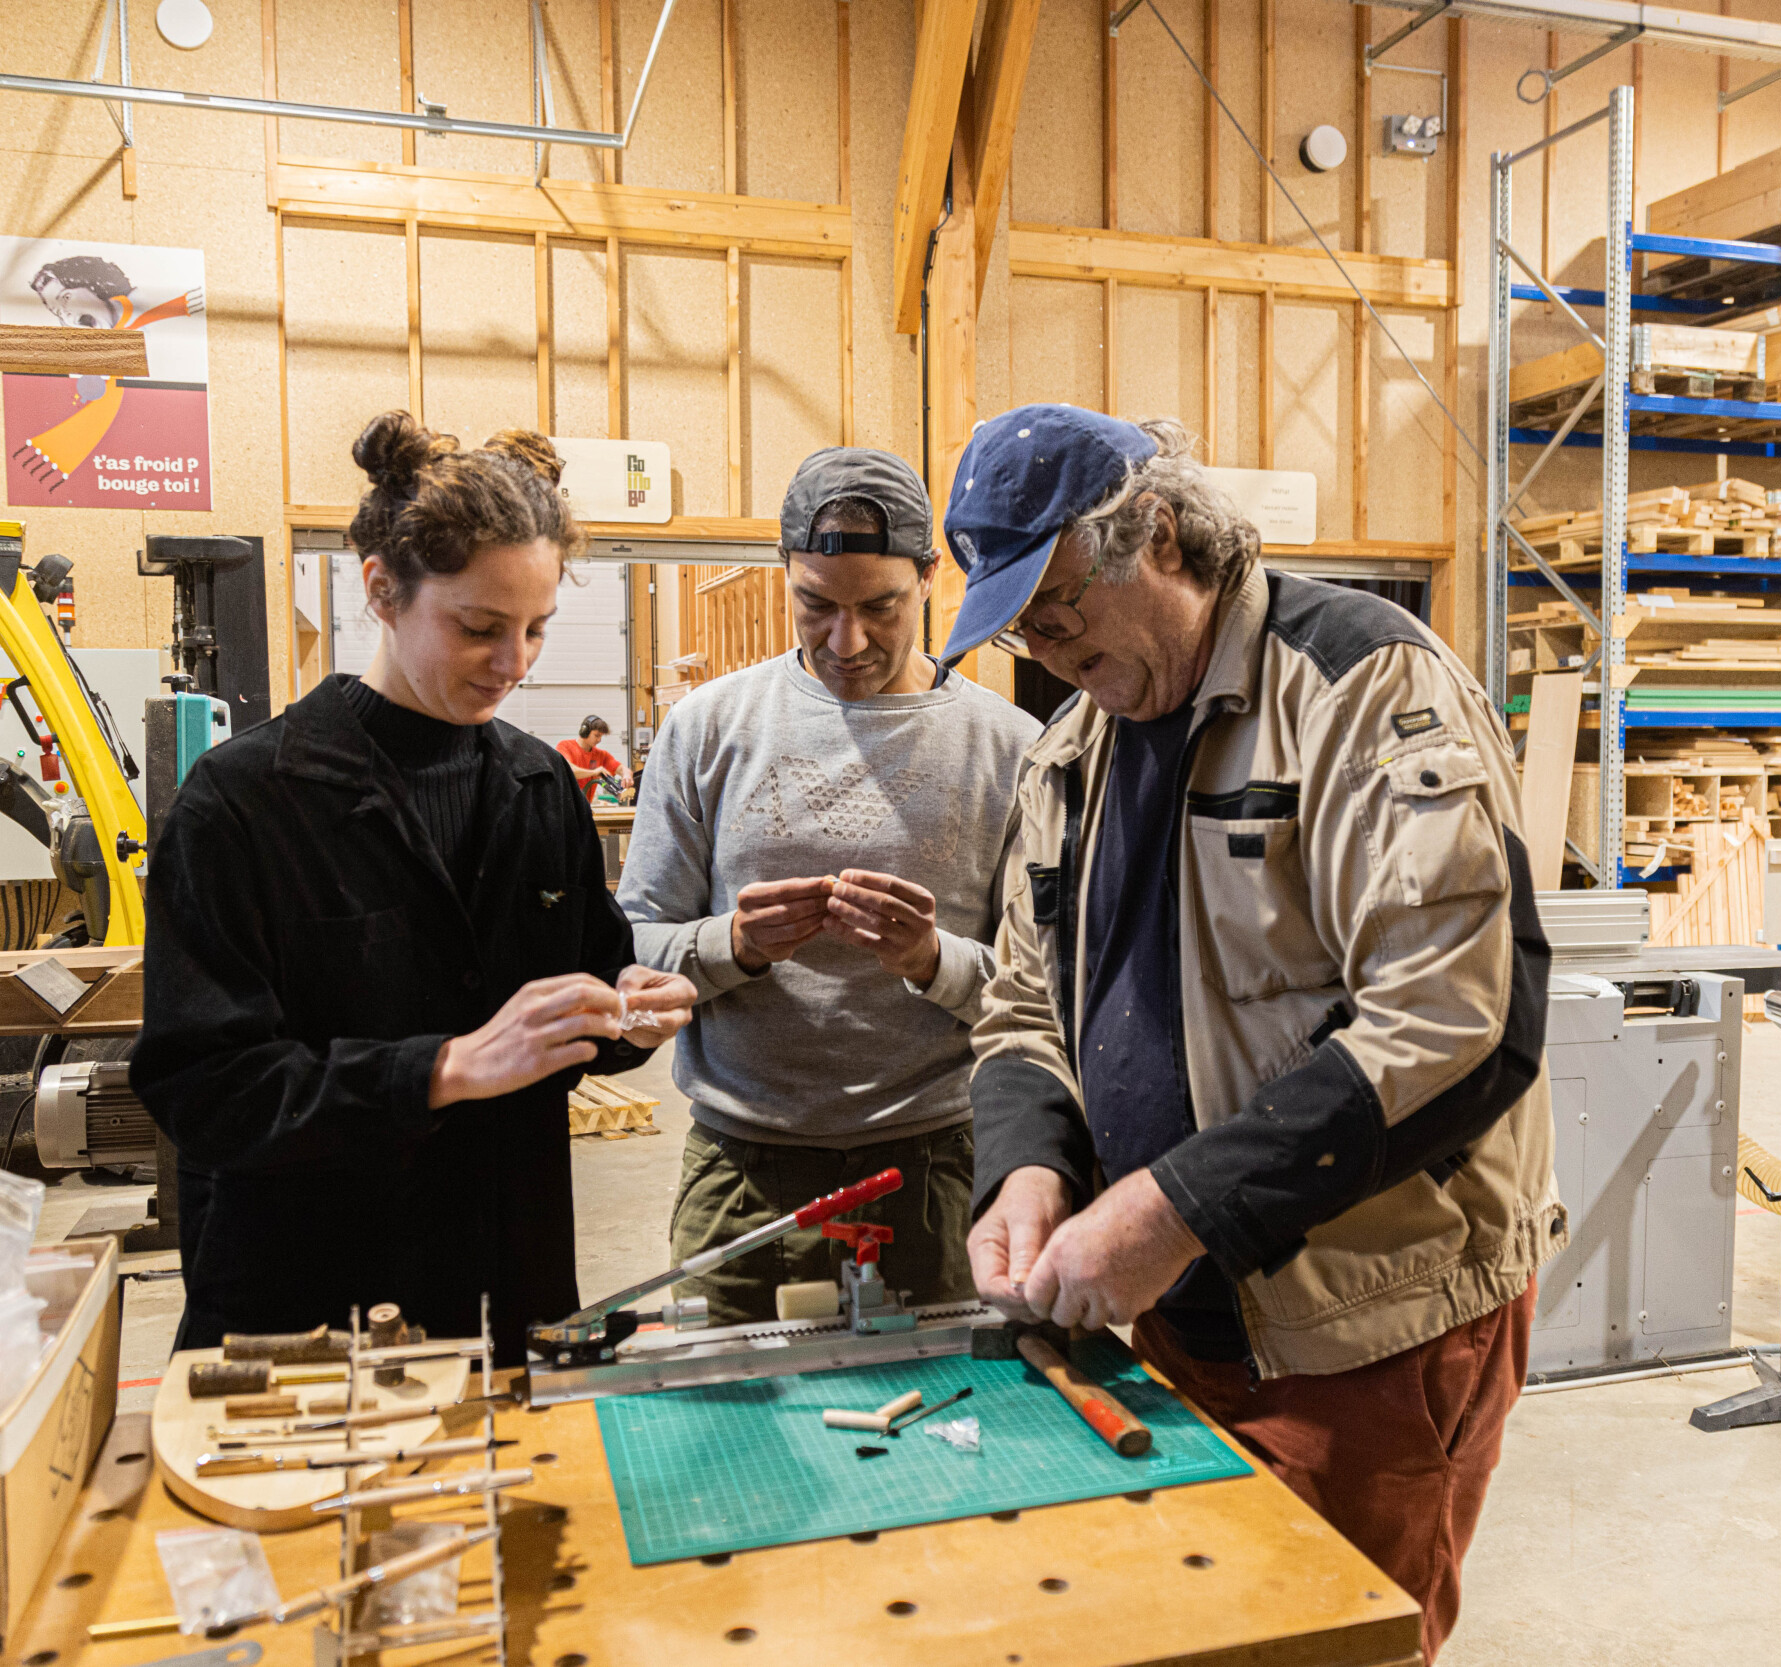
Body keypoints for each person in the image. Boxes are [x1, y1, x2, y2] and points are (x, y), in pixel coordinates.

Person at [945, 405, 1559, 1664]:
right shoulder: (1071, 752)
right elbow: (1021, 1001)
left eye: (1056, 609)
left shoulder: (1362, 686)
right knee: (1203, 1628)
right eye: (1019, 625)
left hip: (1370, 1318)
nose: (1041, 648)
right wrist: (1028, 1161)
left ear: (1157, 537)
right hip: (1177, 1303)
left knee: (1334, 1643)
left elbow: (1457, 1017)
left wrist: (1174, 1204)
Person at [131, 410, 696, 1359]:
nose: (514, 665)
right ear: (382, 591)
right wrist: (441, 1068)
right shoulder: (242, 804)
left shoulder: (538, 786)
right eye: (478, 628)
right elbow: (205, 1090)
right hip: (307, 1314)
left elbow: (583, 1006)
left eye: (535, 630)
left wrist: (625, 1014)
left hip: (508, 1293)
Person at [619, 448, 1042, 1326]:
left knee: (948, 1437)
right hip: (740, 1170)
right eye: (816, 605)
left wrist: (932, 960)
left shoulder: (1011, 748)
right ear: (786, 576)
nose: (847, 641)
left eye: (879, 607)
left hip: (933, 1165)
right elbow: (633, 944)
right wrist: (729, 946)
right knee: (724, 1440)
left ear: (931, 577)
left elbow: (1046, 991)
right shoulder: (708, 729)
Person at [557, 715, 632, 803]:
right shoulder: (565, 746)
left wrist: (627, 775)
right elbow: (568, 770)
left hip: (585, 806)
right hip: (566, 806)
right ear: (584, 732)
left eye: (601, 736)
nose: (599, 740)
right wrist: (594, 772)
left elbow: (621, 768)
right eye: (596, 735)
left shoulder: (600, 755)